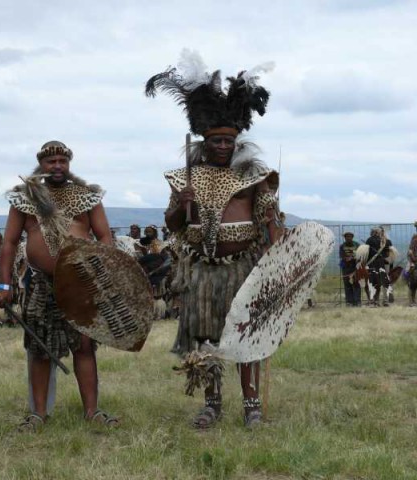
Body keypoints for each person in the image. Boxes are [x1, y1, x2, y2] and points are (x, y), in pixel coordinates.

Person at [147, 51, 282, 428]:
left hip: (243, 269)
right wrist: (182, 204)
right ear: (205, 141)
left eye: (228, 141)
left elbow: (270, 223)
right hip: (202, 271)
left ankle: (252, 405)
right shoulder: (185, 178)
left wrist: (274, 264)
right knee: (207, 337)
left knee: (247, 337)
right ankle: (212, 403)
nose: (222, 146)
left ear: (237, 142)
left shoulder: (256, 177)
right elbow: (174, 224)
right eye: (216, 141)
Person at [0, 140, 119, 431]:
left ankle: (92, 410)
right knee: (39, 347)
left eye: (62, 161)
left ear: (69, 164)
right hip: (41, 282)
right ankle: (38, 414)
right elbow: (10, 242)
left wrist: (102, 273)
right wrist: (4, 284)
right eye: (51, 161)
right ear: (41, 164)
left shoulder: (87, 196)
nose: (57, 166)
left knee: (85, 345)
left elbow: (104, 237)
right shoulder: (25, 198)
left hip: (81, 281)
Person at [364, 227, 392, 307]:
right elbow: (386, 254)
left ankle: (372, 301)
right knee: (378, 283)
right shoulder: (383, 241)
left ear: (372, 232)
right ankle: (376, 301)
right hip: (380, 264)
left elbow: (366, 253)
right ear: (378, 233)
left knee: (371, 282)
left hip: (371, 264)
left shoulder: (369, 240)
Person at [339, 232, 361, 306]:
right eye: (346, 237)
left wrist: (355, 259)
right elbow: (341, 256)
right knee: (347, 284)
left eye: (350, 236)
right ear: (344, 238)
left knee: (356, 284)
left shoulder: (357, 245)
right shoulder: (342, 246)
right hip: (346, 267)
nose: (348, 238)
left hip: (355, 267)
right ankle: (349, 302)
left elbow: (360, 255)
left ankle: (357, 301)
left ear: (352, 237)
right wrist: (346, 258)